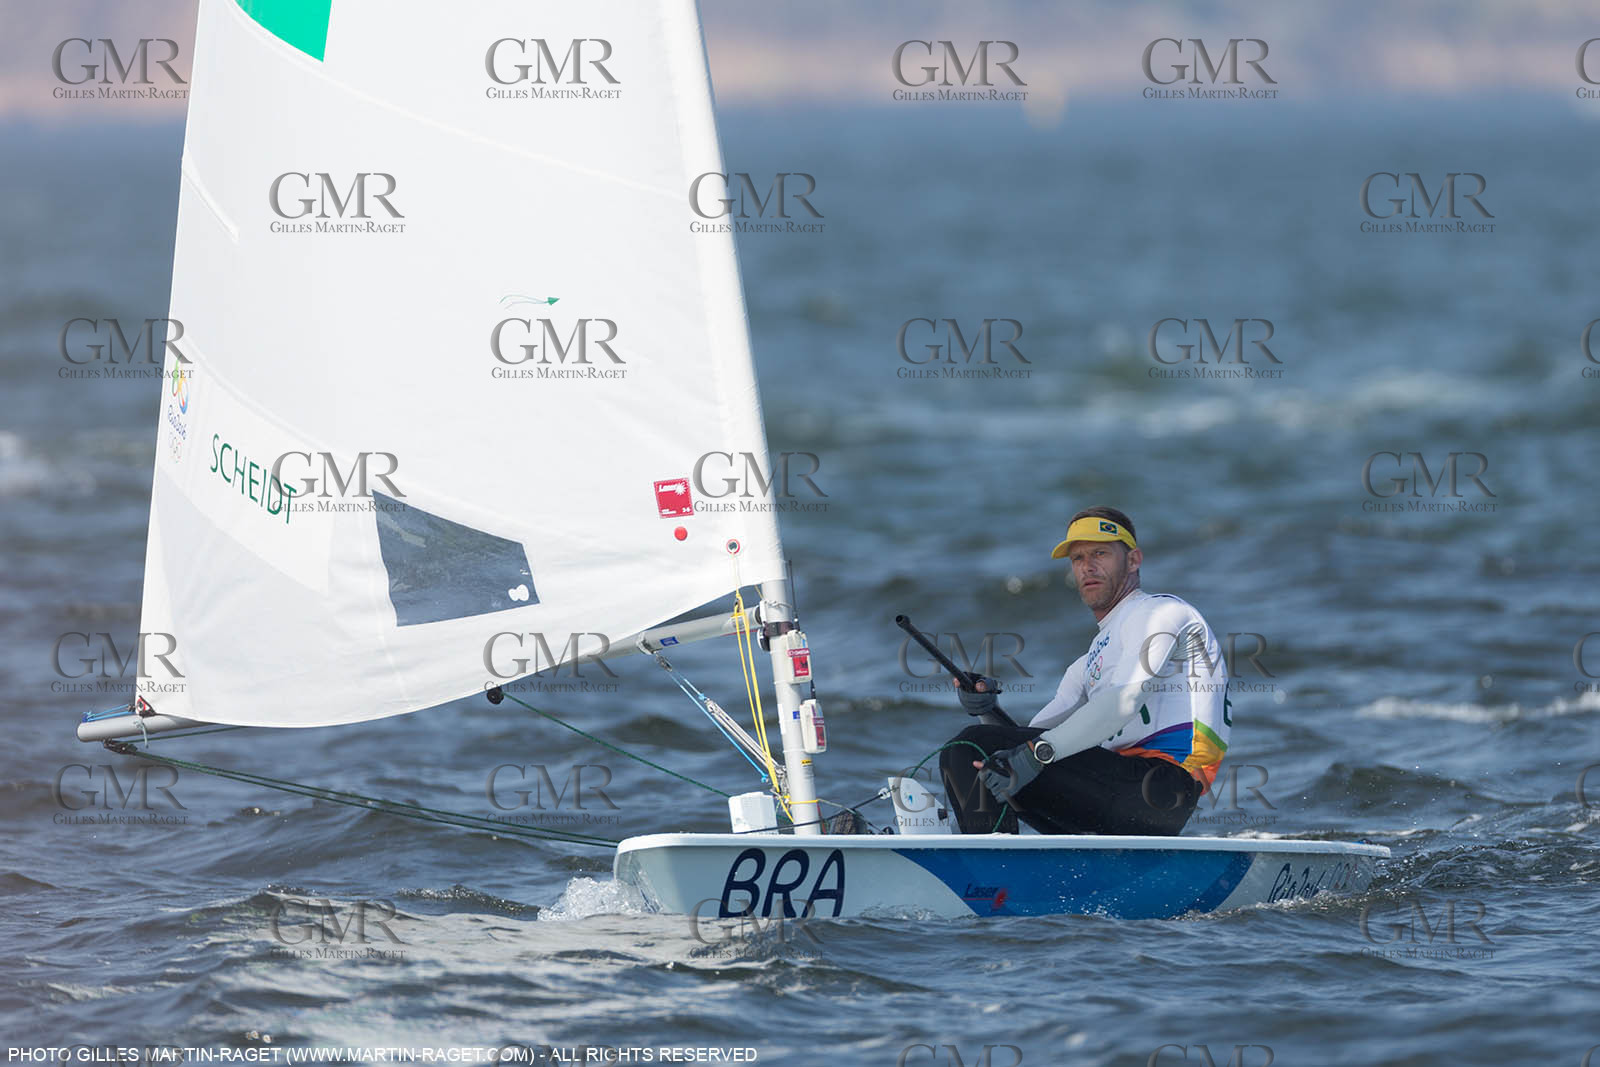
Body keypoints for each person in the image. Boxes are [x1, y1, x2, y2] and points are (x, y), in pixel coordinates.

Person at [937, 506, 1230, 835]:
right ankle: (1006, 872)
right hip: (1118, 792)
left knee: (972, 747)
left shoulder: (1162, 613)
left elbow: (1123, 703)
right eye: (1077, 558)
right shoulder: (1086, 664)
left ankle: (992, 875)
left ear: (1133, 560)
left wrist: (1030, 755)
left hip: (1164, 789)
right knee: (982, 756)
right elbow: (1027, 743)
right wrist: (986, 711)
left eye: (1100, 553)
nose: (1087, 566)